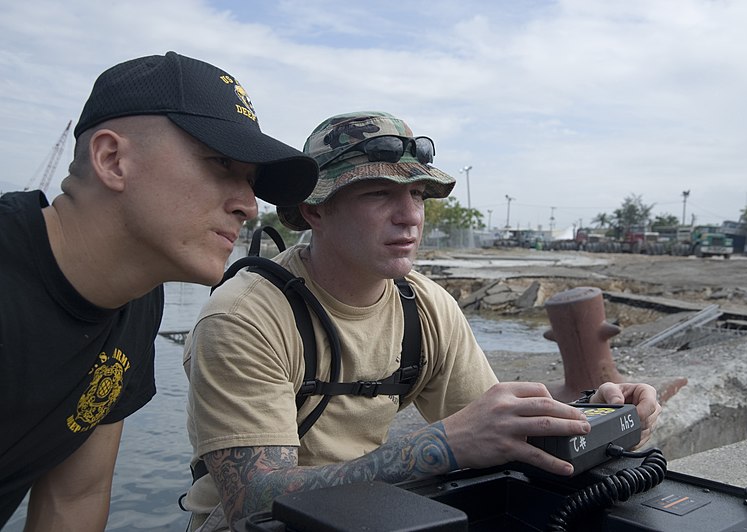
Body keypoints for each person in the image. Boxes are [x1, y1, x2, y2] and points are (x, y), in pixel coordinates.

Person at [182, 111, 661, 530]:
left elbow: (492, 425)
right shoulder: (244, 318)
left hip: (372, 512)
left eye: (418, 194)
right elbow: (254, 501)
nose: (410, 216)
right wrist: (435, 446)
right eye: (378, 193)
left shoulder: (426, 306)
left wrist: (595, 413)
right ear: (314, 210)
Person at [0, 51, 318, 530]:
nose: (250, 207)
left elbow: (74, 498)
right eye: (221, 164)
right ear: (112, 159)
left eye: (251, 181)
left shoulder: (136, 297)